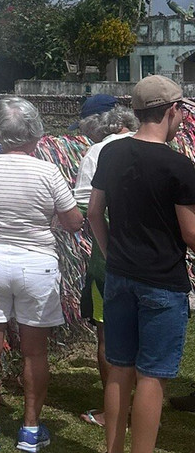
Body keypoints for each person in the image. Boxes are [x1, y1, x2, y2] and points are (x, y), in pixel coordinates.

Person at [0, 96, 84, 452]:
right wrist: (43, 222)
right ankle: (29, 429)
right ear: (36, 134)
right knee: (34, 352)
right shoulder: (48, 172)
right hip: (37, 263)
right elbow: (74, 221)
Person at [87, 75, 195, 453]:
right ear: (170, 111)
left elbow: (95, 212)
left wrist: (110, 251)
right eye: (181, 110)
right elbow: (190, 234)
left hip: (119, 274)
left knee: (119, 368)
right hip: (163, 281)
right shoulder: (179, 167)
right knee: (153, 376)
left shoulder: (111, 153)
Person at [71, 105, 139, 427]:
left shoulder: (96, 152)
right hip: (149, 257)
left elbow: (86, 206)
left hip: (108, 253)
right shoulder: (158, 148)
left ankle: (113, 409)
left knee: (108, 336)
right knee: (141, 333)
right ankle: (140, 405)